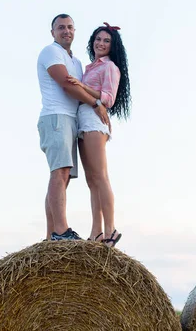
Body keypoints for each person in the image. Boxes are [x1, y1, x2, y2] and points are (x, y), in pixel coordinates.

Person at [37, 14, 110, 241]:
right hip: (56, 116)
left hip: (72, 120)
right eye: (60, 27)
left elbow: (85, 89)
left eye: (69, 27)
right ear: (53, 32)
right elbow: (67, 84)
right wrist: (96, 104)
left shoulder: (77, 63)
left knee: (64, 175)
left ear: (75, 31)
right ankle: (60, 231)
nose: (66, 31)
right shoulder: (51, 52)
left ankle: (52, 235)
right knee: (59, 172)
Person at [65, 22, 131, 247]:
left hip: (94, 120)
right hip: (84, 120)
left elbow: (108, 99)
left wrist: (81, 87)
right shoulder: (90, 67)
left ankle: (110, 229)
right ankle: (96, 233)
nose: (101, 44)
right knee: (91, 180)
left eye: (106, 41)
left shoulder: (110, 67)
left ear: (112, 47)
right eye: (98, 39)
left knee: (101, 176)